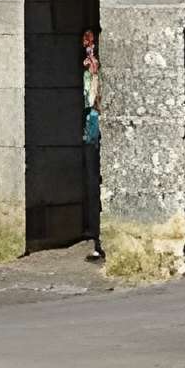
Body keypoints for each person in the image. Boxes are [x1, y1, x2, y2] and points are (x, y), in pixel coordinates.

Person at [80, 26, 106, 262]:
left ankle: (101, 239)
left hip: (98, 131)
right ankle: (96, 237)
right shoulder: (86, 75)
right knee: (91, 183)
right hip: (89, 131)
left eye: (92, 51)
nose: (89, 58)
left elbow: (97, 102)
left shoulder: (97, 75)